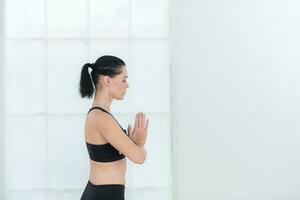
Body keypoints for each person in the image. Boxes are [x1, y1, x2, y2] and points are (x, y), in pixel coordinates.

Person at [78, 55, 149, 200]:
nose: (127, 85)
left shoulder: (102, 115)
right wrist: (140, 144)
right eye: (124, 79)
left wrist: (135, 145)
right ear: (108, 81)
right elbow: (139, 157)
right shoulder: (101, 118)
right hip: (102, 195)